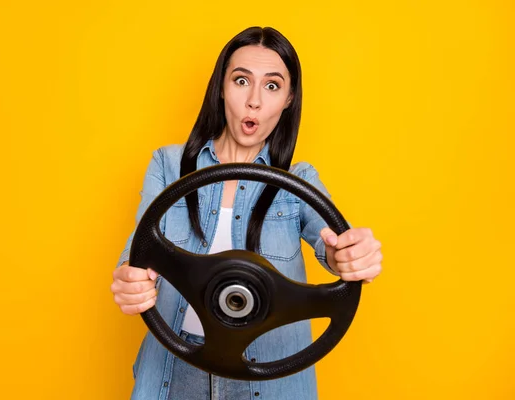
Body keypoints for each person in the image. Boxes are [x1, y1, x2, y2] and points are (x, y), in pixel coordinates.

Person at [111, 26, 383, 400]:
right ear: (221, 87)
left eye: (272, 86)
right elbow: (137, 255)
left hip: (270, 380)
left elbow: (334, 245)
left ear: (288, 99)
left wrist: (350, 256)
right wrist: (131, 281)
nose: (254, 101)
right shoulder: (168, 164)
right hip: (174, 372)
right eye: (241, 81)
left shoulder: (298, 181)